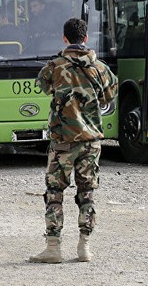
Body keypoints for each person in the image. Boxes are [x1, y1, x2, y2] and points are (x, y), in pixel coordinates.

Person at [30, 18, 118, 264]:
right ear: (86, 39)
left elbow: (44, 87)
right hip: (91, 142)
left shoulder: (54, 67)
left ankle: (53, 248)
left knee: (55, 193)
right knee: (87, 193)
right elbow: (109, 96)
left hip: (62, 143)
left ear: (65, 38)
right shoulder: (101, 68)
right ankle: (84, 247)